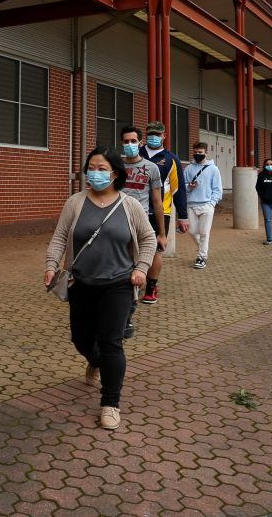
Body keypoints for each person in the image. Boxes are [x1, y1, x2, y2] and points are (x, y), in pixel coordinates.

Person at [44, 147, 156, 430]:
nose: (95, 173)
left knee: (111, 343)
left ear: (115, 173)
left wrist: (141, 269)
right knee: (81, 339)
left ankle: (111, 403)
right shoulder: (75, 202)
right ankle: (93, 361)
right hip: (81, 283)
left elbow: (148, 238)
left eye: (102, 168)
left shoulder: (130, 205)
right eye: (91, 167)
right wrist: (50, 265)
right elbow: (59, 237)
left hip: (118, 285)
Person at [119, 126, 166, 337]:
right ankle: (120, 312)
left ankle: (128, 315)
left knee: (138, 269)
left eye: (133, 141)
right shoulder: (115, 165)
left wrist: (162, 232)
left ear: (140, 143)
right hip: (117, 221)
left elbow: (157, 200)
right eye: (125, 141)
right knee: (121, 268)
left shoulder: (151, 168)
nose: (129, 145)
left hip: (142, 222)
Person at [138, 120, 188, 304]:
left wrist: (183, 216)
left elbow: (179, 189)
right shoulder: (136, 154)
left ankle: (151, 287)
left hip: (160, 212)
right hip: (135, 209)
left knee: (155, 251)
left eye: (157, 134)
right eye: (150, 133)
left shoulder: (171, 159)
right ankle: (132, 282)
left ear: (164, 136)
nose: (154, 137)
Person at [182, 142, 222, 269]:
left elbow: (217, 189)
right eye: (195, 152)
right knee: (193, 232)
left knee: (204, 233)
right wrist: (189, 186)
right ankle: (203, 249)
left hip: (207, 205)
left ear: (205, 153)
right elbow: (182, 187)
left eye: (200, 152)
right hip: (191, 205)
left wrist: (212, 203)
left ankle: (202, 257)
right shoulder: (188, 169)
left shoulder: (213, 169)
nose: (197, 154)